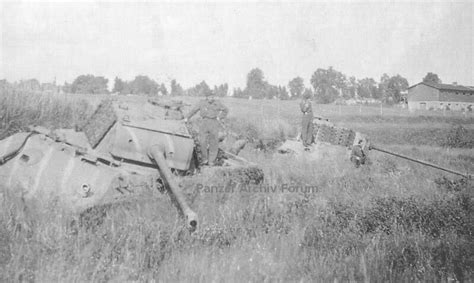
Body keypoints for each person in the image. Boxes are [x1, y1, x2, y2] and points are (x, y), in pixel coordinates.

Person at [184, 91, 229, 166]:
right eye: (209, 97)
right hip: (204, 122)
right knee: (202, 141)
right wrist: (187, 118)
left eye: (212, 96)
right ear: (206, 97)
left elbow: (226, 110)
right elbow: (194, 110)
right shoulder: (202, 103)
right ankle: (204, 159)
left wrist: (219, 117)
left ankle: (211, 161)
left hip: (214, 123)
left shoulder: (217, 103)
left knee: (214, 142)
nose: (211, 98)